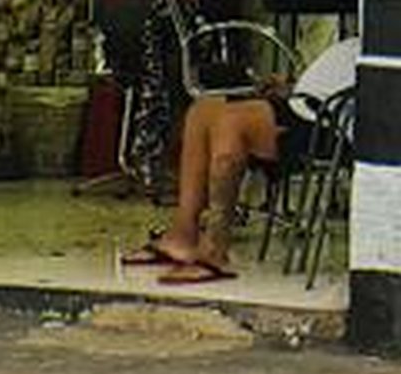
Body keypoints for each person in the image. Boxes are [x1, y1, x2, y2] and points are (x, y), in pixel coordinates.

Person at [124, 29, 358, 285]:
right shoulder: (358, 42)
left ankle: (215, 250)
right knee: (202, 111)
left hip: (324, 124)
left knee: (231, 123)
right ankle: (183, 233)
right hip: (301, 106)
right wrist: (290, 87)